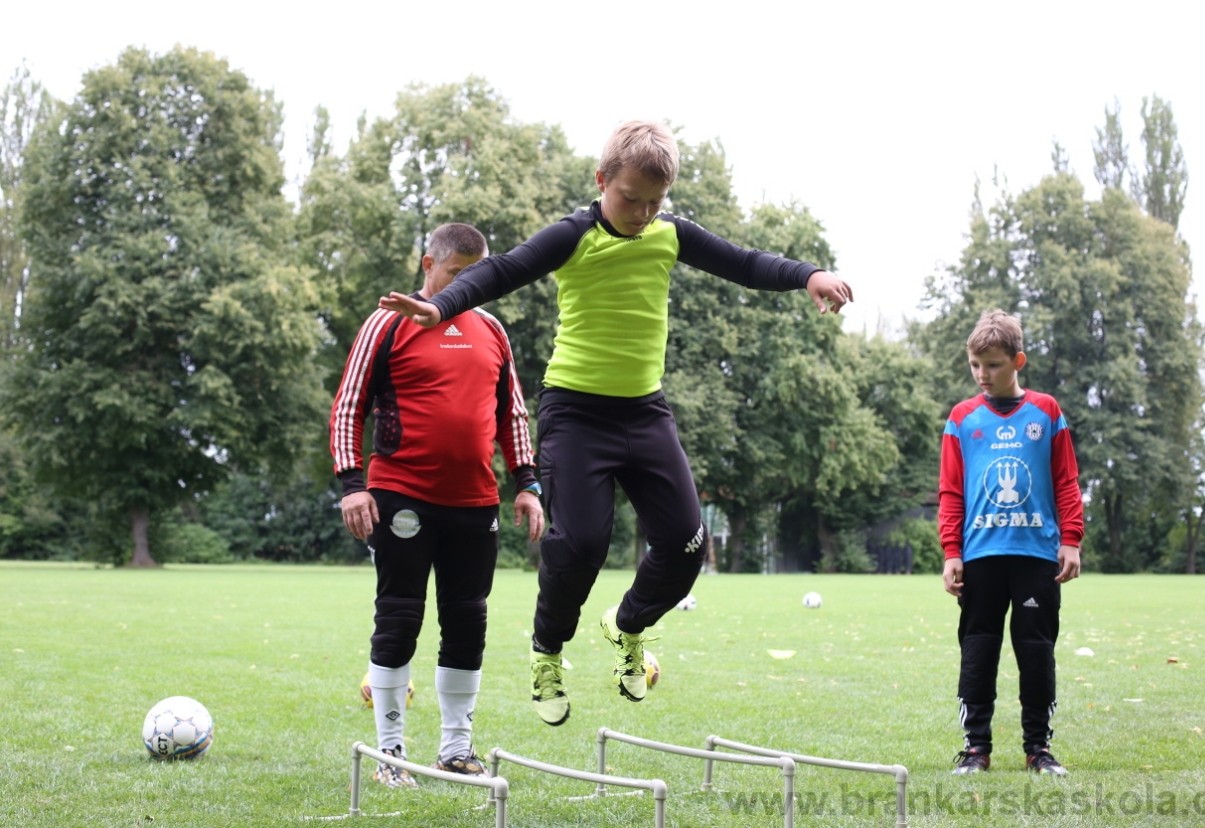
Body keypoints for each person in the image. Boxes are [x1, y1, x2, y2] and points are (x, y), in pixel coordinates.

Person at [380, 120, 852, 727]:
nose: (642, 212)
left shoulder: (669, 235)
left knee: (687, 546)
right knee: (580, 543)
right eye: (631, 198)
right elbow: (500, 271)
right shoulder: (574, 235)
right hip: (576, 411)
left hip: (645, 412)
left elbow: (746, 262)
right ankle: (547, 648)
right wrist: (440, 304)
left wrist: (807, 273)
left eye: (655, 202)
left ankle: (626, 626)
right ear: (603, 180)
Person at [330, 223, 544, 787]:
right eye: (456, 274)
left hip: (474, 503)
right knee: (400, 615)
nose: (466, 287)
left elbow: (513, 415)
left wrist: (527, 482)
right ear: (429, 264)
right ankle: (391, 754)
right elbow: (348, 407)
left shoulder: (493, 330)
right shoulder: (387, 321)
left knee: (467, 621)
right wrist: (353, 486)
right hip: (400, 496)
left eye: (477, 276)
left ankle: (455, 750)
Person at [938, 309, 1083, 777]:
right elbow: (951, 491)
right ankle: (976, 749)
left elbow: (1066, 480)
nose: (983, 374)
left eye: (994, 364)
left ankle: (1038, 750)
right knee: (978, 650)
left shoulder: (1047, 412)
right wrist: (952, 553)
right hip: (979, 556)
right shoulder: (961, 418)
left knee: (1036, 652)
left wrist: (1072, 540)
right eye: (976, 365)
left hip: (1037, 556)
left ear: (1017, 360)